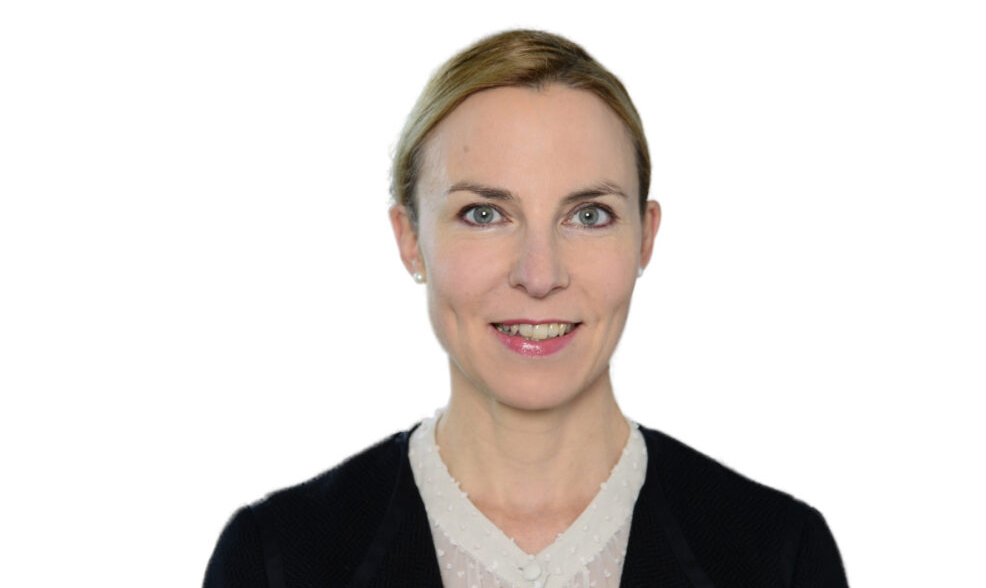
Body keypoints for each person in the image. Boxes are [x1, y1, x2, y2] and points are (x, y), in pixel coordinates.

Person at [204, 29, 849, 588]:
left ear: (646, 238)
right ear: (410, 239)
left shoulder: (779, 557)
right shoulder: (275, 560)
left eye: (589, 215)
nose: (540, 276)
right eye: (484, 214)